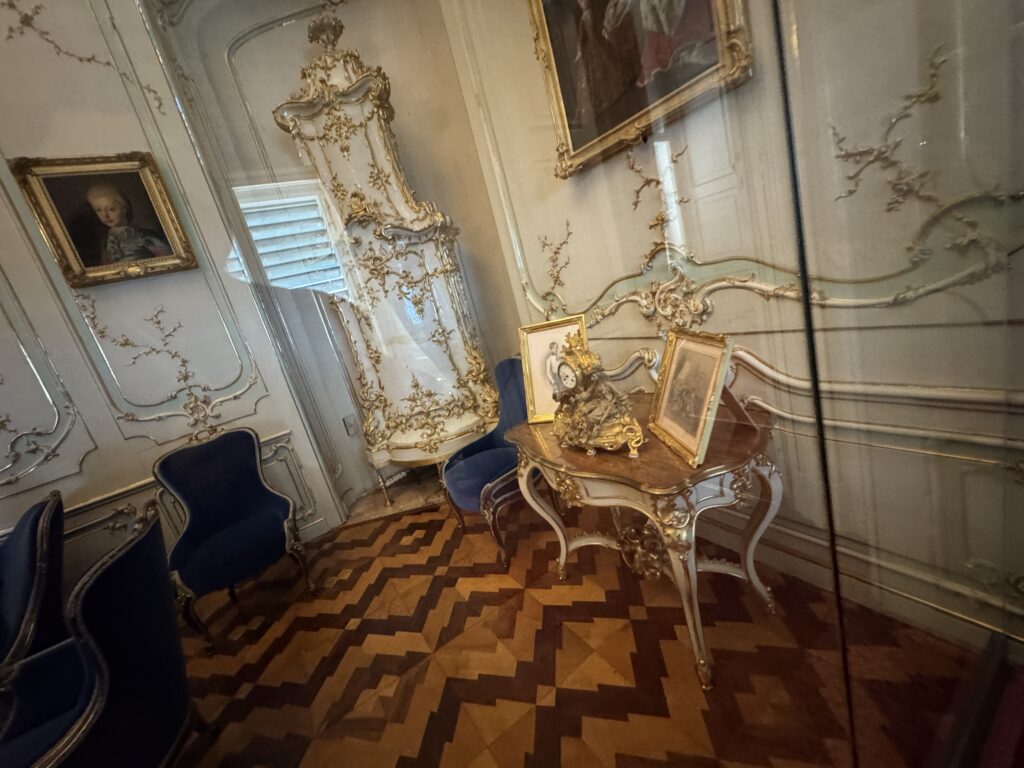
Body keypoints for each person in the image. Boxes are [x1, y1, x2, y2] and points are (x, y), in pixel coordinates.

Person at [85, 184, 172, 264]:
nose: (105, 215)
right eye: (99, 210)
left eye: (111, 209)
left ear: (124, 208)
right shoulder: (104, 241)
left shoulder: (143, 235)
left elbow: (168, 258)